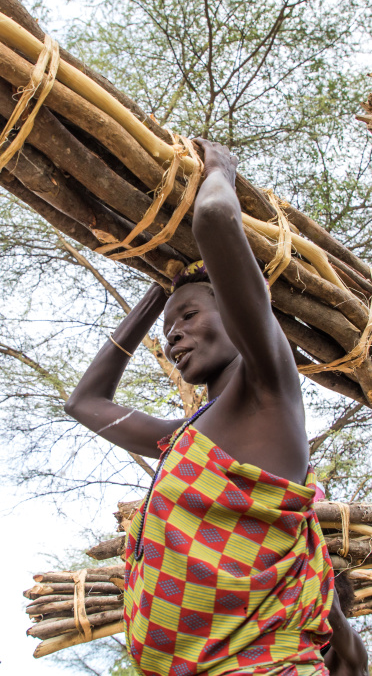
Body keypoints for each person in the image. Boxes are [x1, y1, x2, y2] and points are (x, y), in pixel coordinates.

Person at [65, 140, 364, 675]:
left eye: (189, 316)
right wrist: (158, 296)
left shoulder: (268, 395)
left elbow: (214, 215)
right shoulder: (184, 439)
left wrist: (221, 168)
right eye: (168, 329)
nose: (173, 336)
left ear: (240, 313)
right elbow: (85, 402)